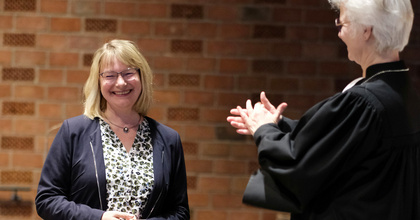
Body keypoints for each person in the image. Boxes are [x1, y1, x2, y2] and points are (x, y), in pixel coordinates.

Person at [227, 0, 420, 219]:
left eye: (343, 23)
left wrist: (264, 130)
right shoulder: (402, 91)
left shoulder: (364, 102)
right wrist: (277, 124)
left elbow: (298, 165)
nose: (339, 33)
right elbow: (338, 142)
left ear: (366, 30)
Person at [36, 39, 190, 220]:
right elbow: (47, 200)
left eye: (128, 73)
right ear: (98, 82)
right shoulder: (73, 131)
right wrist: (99, 218)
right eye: (110, 75)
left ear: (142, 77)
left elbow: (180, 212)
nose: (121, 83)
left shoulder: (168, 139)